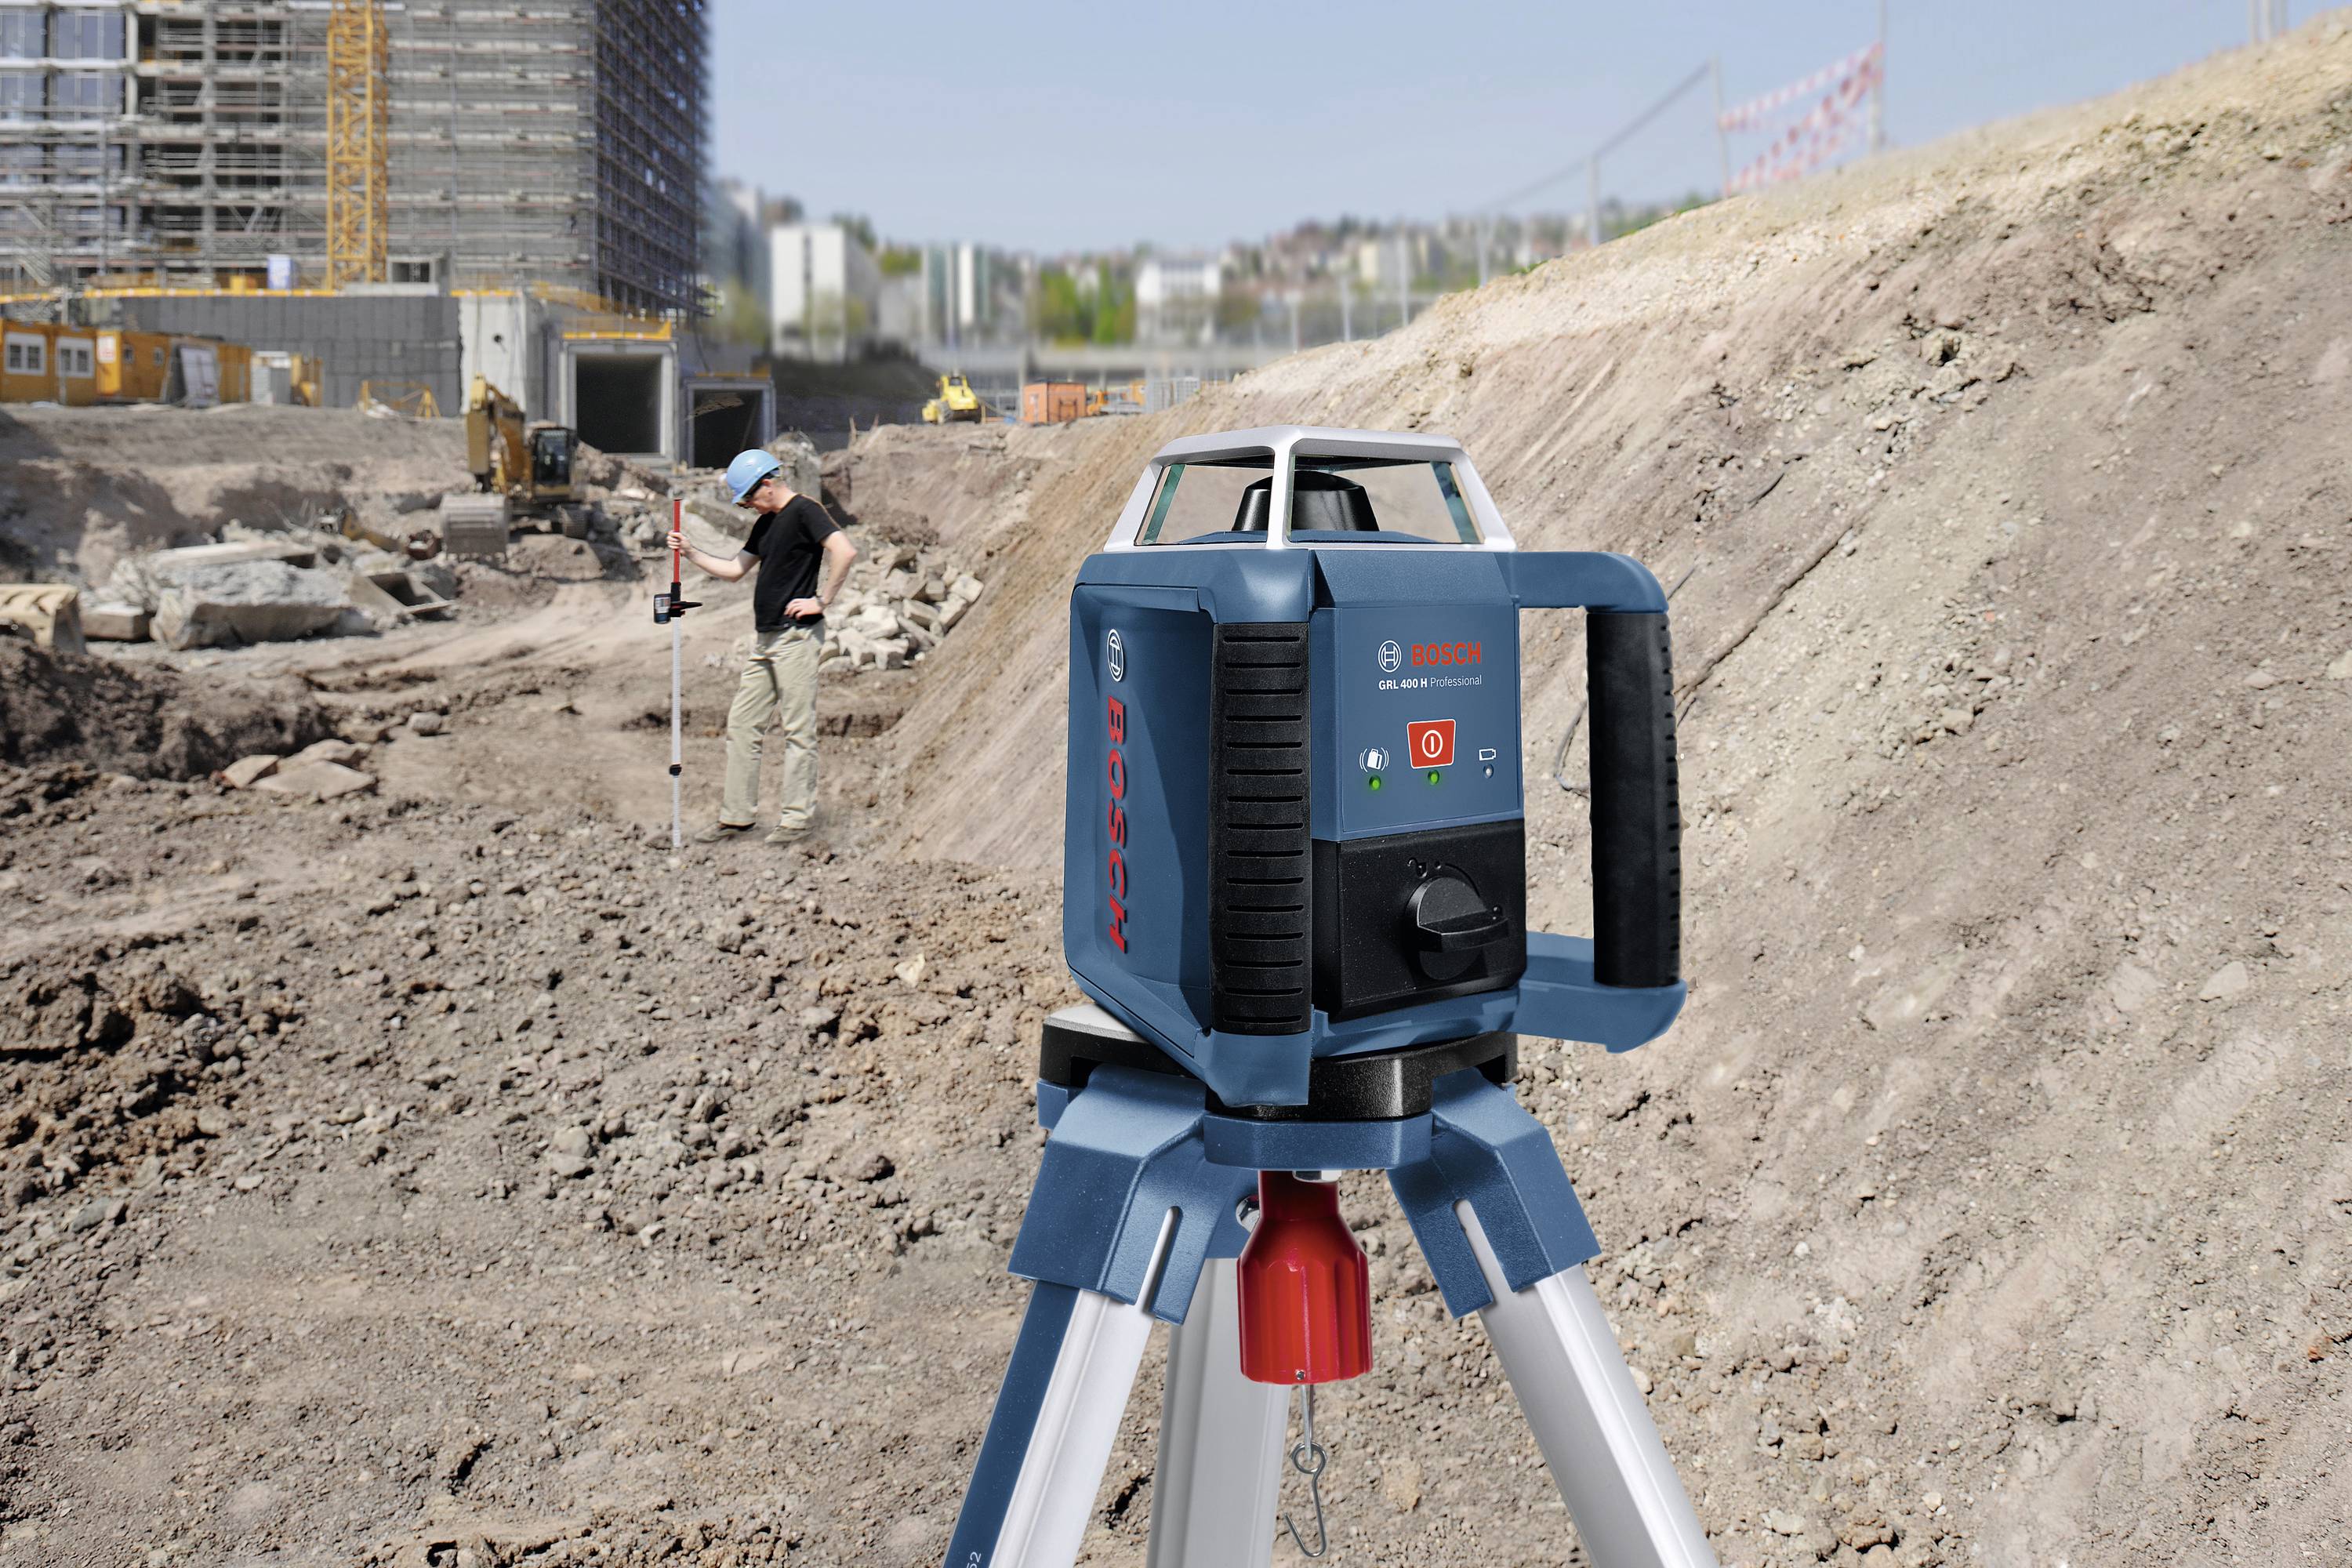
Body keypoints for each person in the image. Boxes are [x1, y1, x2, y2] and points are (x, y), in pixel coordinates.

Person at [666, 449, 858, 845]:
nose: (748, 506)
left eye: (749, 498)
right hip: (766, 639)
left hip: (796, 637)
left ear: (767, 483)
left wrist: (822, 601)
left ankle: (796, 820)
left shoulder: (806, 510)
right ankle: (737, 818)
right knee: (742, 723)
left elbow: (845, 550)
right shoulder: (765, 524)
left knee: (798, 730)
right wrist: (690, 552)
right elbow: (735, 570)